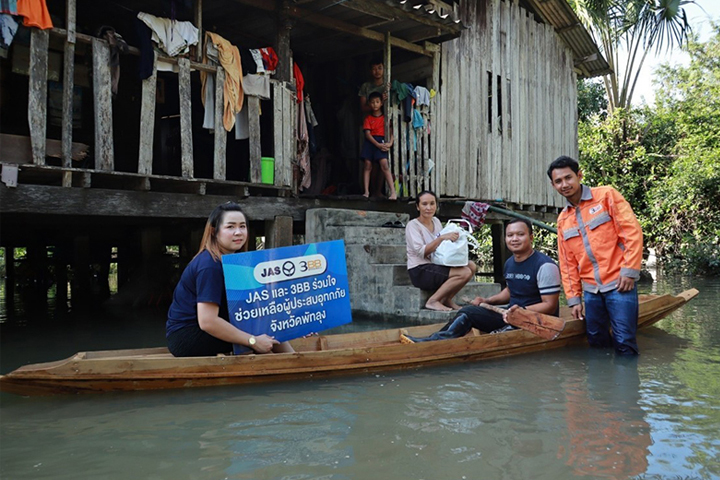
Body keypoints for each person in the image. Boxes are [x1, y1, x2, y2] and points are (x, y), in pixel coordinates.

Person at [166, 202, 294, 357]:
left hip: (205, 329)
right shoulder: (209, 265)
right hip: (187, 336)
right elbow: (207, 321)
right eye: (230, 227)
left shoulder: (234, 262)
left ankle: (296, 361)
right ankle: (297, 365)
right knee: (264, 328)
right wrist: (252, 341)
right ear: (214, 231)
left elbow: (254, 308)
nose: (238, 232)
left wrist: (294, 326)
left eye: (242, 226)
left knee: (266, 323)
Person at [547, 155, 643, 355]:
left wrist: (629, 271)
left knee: (624, 342)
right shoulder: (563, 220)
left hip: (620, 283)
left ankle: (627, 384)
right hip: (592, 292)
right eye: (558, 181)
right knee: (596, 341)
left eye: (568, 178)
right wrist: (574, 300)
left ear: (579, 175)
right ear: (553, 185)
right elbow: (567, 264)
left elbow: (631, 232)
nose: (564, 184)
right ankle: (602, 385)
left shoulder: (606, 196)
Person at [406, 218, 560, 342]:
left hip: (538, 321)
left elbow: (550, 306)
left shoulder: (545, 266)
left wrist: (521, 312)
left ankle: (436, 342)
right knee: (469, 311)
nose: (514, 239)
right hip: (512, 315)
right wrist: (487, 300)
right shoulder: (510, 263)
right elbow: (510, 290)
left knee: (493, 329)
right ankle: (438, 340)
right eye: (510, 235)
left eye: (520, 234)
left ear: (531, 237)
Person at [406, 190, 477, 311]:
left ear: (436, 205)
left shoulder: (436, 221)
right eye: (424, 204)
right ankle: (433, 301)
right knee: (464, 272)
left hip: (436, 264)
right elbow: (422, 252)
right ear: (418, 207)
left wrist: (454, 239)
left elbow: (442, 246)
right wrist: (442, 238)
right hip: (420, 269)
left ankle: (447, 299)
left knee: (471, 266)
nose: (429, 207)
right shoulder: (413, 225)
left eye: (432, 203)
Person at [359, 58, 390, 197]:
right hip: (370, 127)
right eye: (373, 68)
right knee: (369, 163)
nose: (376, 71)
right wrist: (378, 103)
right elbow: (363, 107)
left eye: (379, 67)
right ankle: (369, 190)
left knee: (382, 163)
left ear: (384, 69)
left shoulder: (388, 86)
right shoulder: (366, 86)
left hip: (382, 129)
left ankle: (378, 190)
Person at [361, 91, 396, 199]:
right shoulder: (368, 119)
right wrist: (377, 145)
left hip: (381, 141)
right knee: (367, 165)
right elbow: (367, 135)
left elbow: (391, 132)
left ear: (381, 103)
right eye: (372, 102)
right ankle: (366, 192)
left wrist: (390, 143)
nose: (375, 104)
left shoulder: (385, 119)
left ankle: (393, 192)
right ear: (369, 104)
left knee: (384, 165)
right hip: (371, 142)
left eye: (377, 102)